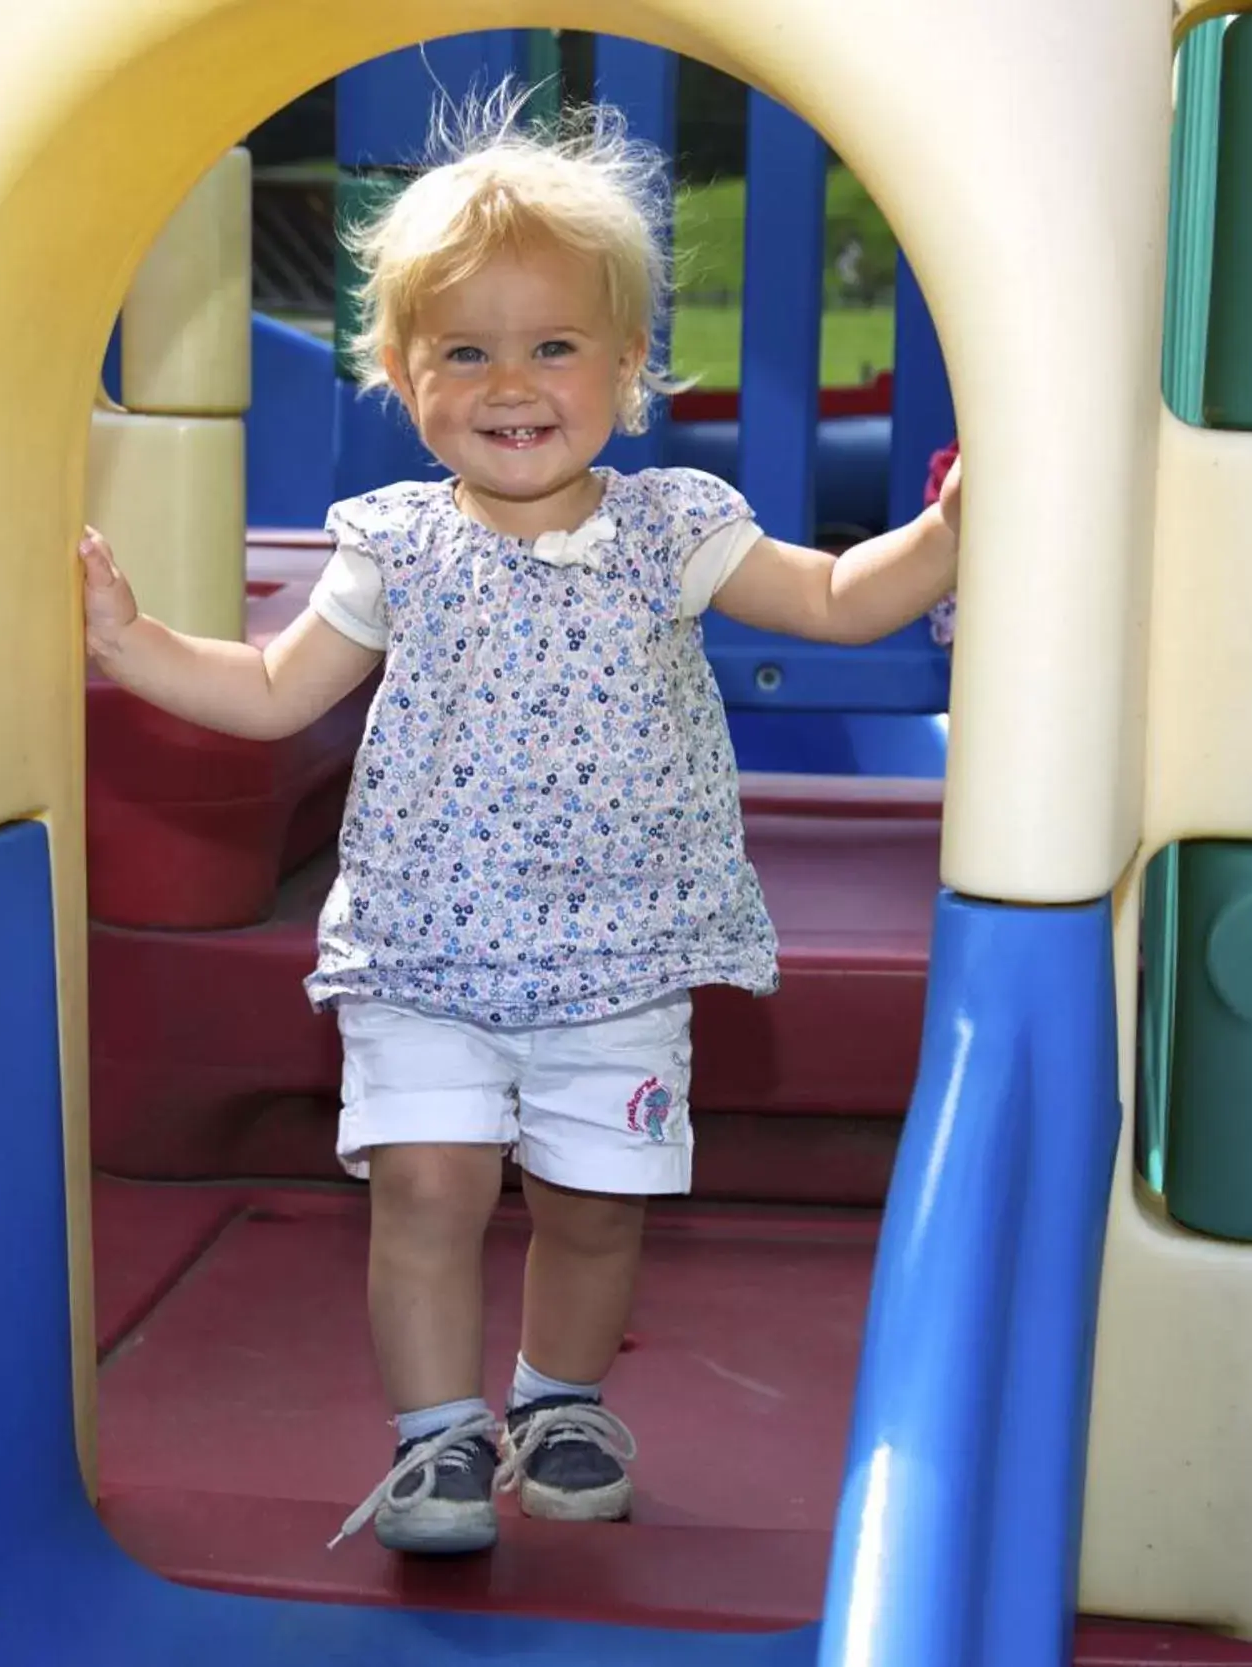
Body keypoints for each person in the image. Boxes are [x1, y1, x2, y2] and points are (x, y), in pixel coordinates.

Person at [77, 87, 962, 1558]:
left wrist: (939, 537)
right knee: (427, 1182)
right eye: (466, 351)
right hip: (426, 944)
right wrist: (130, 644)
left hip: (618, 954)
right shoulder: (398, 548)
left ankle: (557, 1400)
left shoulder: (675, 526)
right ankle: (435, 1440)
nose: (513, 380)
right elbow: (273, 686)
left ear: (626, 365)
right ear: (403, 376)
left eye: (554, 345)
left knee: (595, 1208)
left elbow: (829, 598)